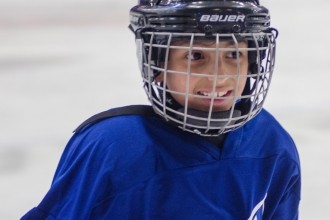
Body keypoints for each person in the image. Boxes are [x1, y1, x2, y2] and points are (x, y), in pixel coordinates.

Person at [21, 0, 301, 219]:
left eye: (233, 54)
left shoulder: (272, 145)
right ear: (156, 63)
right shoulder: (113, 148)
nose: (220, 75)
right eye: (195, 55)